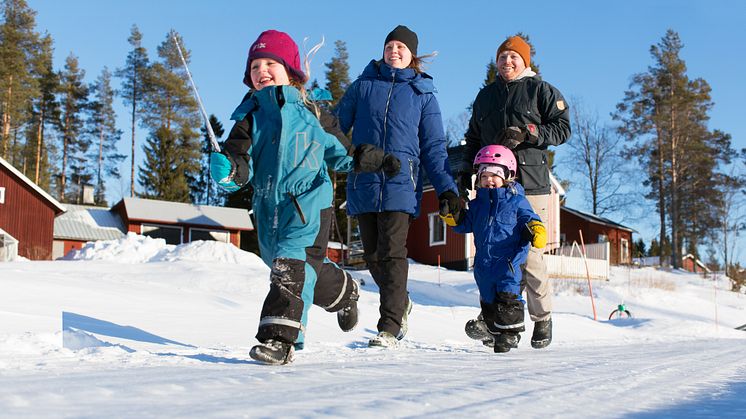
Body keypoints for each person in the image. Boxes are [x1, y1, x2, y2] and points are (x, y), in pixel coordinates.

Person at [210, 30, 388, 365]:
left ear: (290, 71)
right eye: (255, 66)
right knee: (298, 268)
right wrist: (229, 172)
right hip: (268, 207)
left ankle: (280, 339)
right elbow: (240, 163)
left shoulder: (312, 113)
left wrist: (369, 159)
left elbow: (342, 153)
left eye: (270, 63)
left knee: (290, 264)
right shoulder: (248, 118)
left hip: (309, 203)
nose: (261, 70)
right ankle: (344, 290)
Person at [336, 25, 460, 348]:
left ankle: (389, 326)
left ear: (412, 56)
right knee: (374, 257)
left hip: (400, 183)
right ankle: (401, 300)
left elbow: (434, 147)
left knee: (392, 254)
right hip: (364, 181)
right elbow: (336, 126)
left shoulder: (422, 94)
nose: (394, 51)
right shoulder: (363, 87)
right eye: (390, 46)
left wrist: (447, 189)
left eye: (401, 48)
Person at [460, 35, 570, 349]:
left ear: (525, 61)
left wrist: (530, 132)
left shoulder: (541, 90)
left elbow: (562, 129)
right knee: (494, 255)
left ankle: (542, 316)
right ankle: (497, 320)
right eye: (502, 57)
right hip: (493, 184)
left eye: (514, 57)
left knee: (530, 254)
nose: (507, 62)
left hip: (530, 181)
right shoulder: (486, 96)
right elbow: (473, 137)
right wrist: (464, 173)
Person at [447, 145, 546, 352]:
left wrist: (536, 229)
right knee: (489, 302)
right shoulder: (477, 205)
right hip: (484, 265)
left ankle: (510, 335)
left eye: (495, 175)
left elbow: (529, 217)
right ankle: (493, 333)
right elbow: (465, 225)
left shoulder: (517, 201)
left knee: (508, 299)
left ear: (507, 176)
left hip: (508, 263)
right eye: (484, 176)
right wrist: (452, 217)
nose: (489, 180)